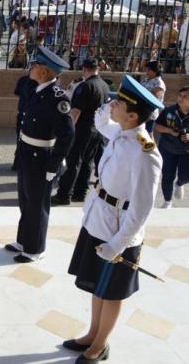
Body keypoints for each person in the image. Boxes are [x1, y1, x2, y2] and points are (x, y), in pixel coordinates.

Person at [65, 76, 163, 364]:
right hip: (100, 220)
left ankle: (100, 344)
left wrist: (118, 245)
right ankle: (91, 334)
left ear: (133, 116)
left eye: (118, 103)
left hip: (119, 232)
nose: (112, 104)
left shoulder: (145, 153)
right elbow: (101, 123)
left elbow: (142, 208)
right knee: (98, 286)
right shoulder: (122, 132)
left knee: (111, 294)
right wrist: (107, 110)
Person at [6, 47, 75, 263]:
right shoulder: (36, 89)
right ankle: (23, 240)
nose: (31, 67)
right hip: (27, 151)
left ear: (44, 71)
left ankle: (35, 249)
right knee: (25, 199)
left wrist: (54, 164)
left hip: (41, 156)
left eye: (35, 65)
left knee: (37, 203)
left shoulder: (57, 98)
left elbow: (68, 134)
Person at [53, 58, 111, 206]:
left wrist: (68, 130)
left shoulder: (85, 86)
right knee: (87, 162)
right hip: (97, 129)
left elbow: (76, 112)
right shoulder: (104, 85)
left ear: (85, 69)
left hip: (83, 129)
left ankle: (64, 195)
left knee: (73, 161)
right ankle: (80, 192)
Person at [154, 85, 189, 209]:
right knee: (167, 175)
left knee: (186, 176)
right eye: (180, 95)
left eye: (185, 96)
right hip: (168, 149)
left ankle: (180, 184)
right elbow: (157, 126)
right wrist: (170, 131)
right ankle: (167, 201)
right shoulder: (169, 110)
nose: (181, 98)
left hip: (186, 151)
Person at [140, 61, 165, 134]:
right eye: (146, 69)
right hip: (140, 110)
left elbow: (154, 98)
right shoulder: (146, 79)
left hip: (149, 113)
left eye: (149, 69)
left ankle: (152, 146)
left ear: (155, 71)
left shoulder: (159, 83)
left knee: (147, 135)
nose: (146, 71)